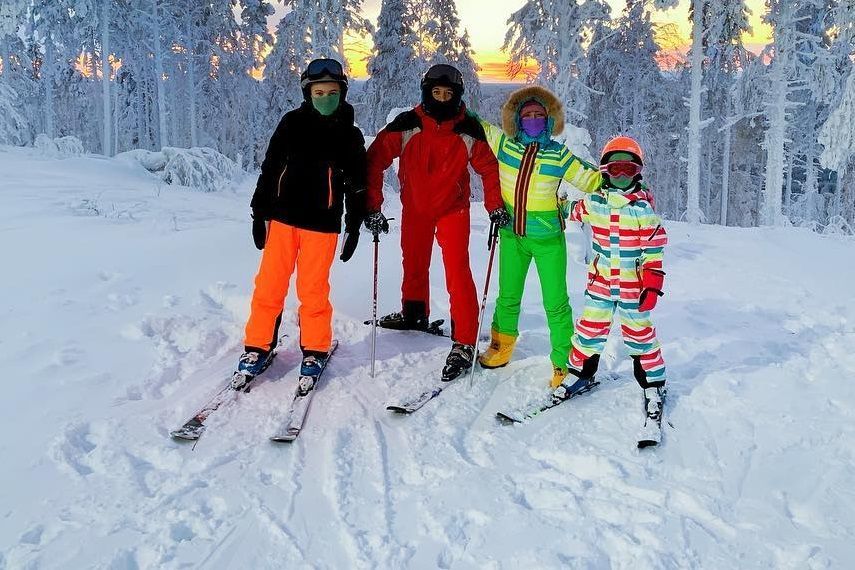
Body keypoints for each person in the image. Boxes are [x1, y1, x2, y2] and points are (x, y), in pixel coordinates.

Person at [364, 64, 504, 382]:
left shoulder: (467, 128)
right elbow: (375, 160)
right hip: (415, 208)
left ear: (457, 95)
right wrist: (372, 205)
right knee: (413, 263)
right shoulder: (408, 124)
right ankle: (414, 314)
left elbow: (489, 168)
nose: (442, 99)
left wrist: (494, 205)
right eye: (436, 93)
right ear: (426, 93)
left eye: (448, 94)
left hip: (453, 210)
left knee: (457, 272)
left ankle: (465, 340)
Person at [233, 58, 366, 388]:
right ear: (308, 93)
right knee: (269, 285)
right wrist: (258, 212)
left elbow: (357, 184)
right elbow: (270, 167)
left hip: (322, 225)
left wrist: (354, 225)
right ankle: (257, 346)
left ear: (342, 93)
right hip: (283, 220)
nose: (325, 97)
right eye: (318, 92)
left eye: (332, 92)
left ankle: (316, 349)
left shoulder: (349, 135)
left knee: (313, 290)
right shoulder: (291, 123)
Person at [469, 86, 602, 388]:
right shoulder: (504, 144)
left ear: (548, 120)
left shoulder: (558, 155)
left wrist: (623, 179)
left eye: (538, 116)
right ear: (516, 119)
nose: (532, 120)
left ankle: (563, 361)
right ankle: (501, 347)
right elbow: (478, 125)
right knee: (508, 298)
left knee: (556, 302)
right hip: (512, 237)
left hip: (547, 241)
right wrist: (455, 102)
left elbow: (591, 178)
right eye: (527, 115)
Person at [564, 136, 668, 438]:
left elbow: (654, 249)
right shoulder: (593, 202)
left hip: (632, 286)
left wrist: (651, 284)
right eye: (615, 169)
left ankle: (653, 384)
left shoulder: (643, 210)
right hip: (601, 282)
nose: (621, 176)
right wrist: (552, 202)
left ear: (638, 172)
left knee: (640, 333)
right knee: (589, 329)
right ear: (604, 172)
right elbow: (570, 210)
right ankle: (580, 374)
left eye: (628, 169)